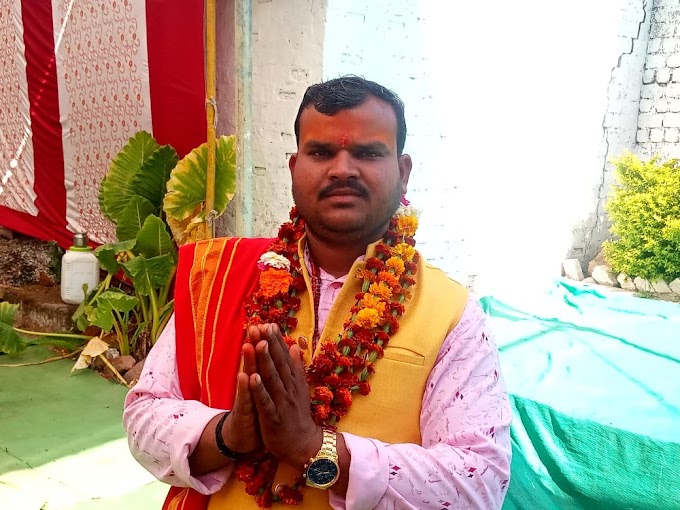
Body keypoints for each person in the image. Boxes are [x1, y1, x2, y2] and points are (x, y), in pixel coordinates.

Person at [123, 75, 512, 510]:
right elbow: (144, 416)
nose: (343, 169)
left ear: (403, 173)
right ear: (294, 168)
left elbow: (479, 484)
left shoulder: (451, 313)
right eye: (322, 152)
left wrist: (313, 448)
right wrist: (228, 434)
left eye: (368, 152)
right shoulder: (219, 277)